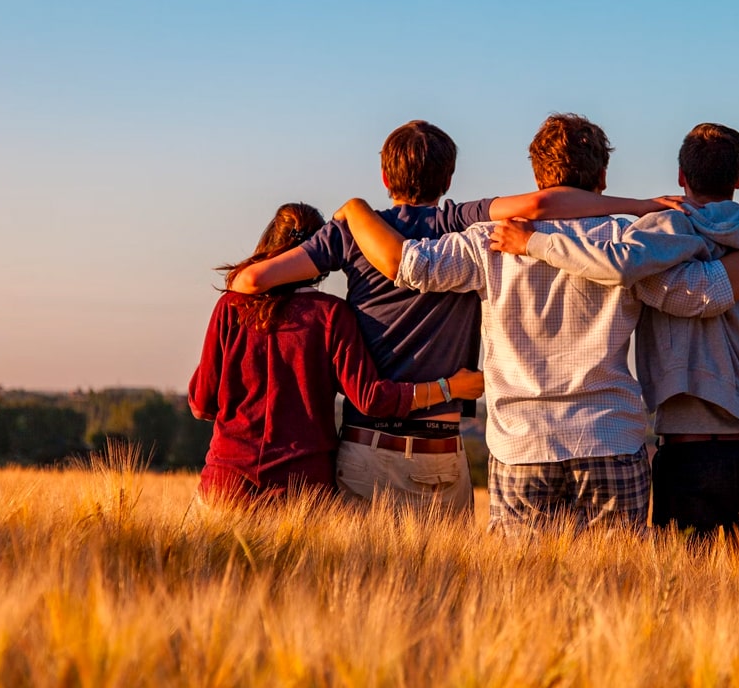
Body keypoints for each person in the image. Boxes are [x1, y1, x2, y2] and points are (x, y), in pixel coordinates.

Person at [335, 114, 739, 535]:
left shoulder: (488, 241)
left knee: (522, 595)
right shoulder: (628, 242)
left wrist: (355, 210)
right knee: (617, 592)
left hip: (521, 445)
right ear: (602, 179)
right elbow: (704, 295)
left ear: (537, 178)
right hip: (609, 437)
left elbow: (410, 266)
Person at [226, 120, 675, 515]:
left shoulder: (351, 232)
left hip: (366, 445)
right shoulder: (461, 222)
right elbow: (540, 207)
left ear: (385, 176)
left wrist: (349, 216)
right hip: (442, 448)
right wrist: (640, 206)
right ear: (449, 176)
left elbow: (249, 283)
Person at [493, 123, 739, 544]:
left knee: (681, 598)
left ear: (681, 177)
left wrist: (534, 242)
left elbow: (615, 265)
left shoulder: (654, 243)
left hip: (686, 456)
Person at [188, 202, 484, 507]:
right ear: (320, 255)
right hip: (303, 490)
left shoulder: (231, 307)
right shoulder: (331, 315)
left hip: (227, 483)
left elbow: (202, 403)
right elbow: (371, 399)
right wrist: (450, 388)